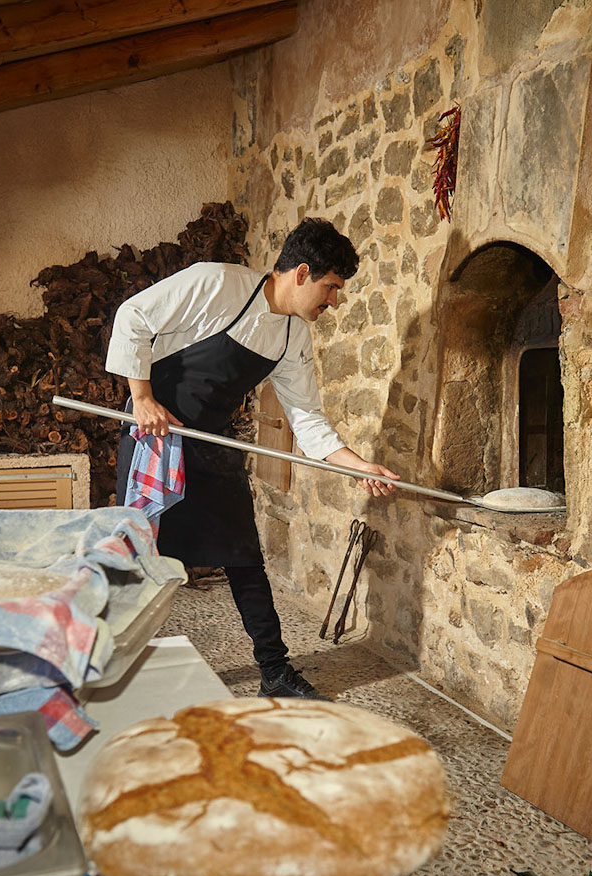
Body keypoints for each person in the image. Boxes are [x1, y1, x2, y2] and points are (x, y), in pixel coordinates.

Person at [105, 217, 399, 700]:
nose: (334, 302)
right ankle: (109, 662)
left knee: (244, 558)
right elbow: (133, 316)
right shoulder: (216, 283)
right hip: (156, 439)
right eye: (331, 288)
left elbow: (307, 418)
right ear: (301, 273)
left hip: (216, 444)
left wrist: (359, 466)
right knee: (137, 556)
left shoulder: (292, 337)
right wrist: (141, 399)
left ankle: (275, 673)